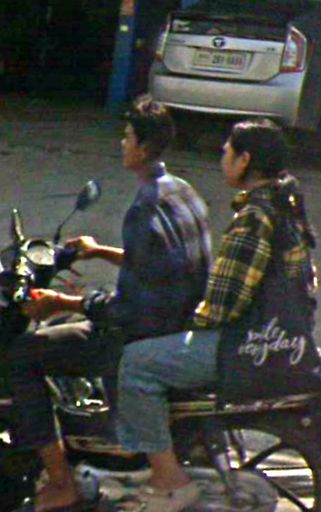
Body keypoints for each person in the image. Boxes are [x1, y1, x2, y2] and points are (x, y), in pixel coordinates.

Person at [7, 95, 212, 512]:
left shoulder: (144, 209)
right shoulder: (180, 190)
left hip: (139, 333)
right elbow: (154, 263)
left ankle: (61, 483)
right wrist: (99, 251)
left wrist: (62, 302)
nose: (122, 143)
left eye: (127, 136)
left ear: (143, 147)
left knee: (22, 356)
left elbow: (127, 309)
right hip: (176, 319)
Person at [116, 118, 320, 512]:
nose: (221, 158)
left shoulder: (255, 217)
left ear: (244, 160)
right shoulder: (285, 207)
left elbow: (224, 304)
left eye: (227, 152)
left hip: (244, 344)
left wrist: (186, 322)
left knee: (137, 363)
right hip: (278, 336)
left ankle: (169, 480)